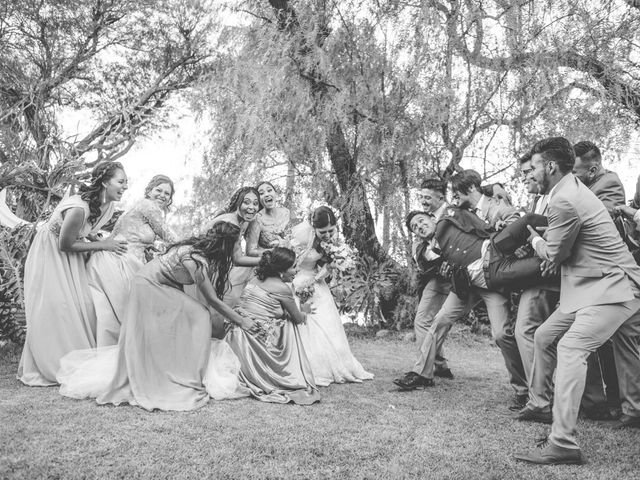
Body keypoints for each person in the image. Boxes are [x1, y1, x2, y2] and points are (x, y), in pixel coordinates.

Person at [514, 137, 640, 465]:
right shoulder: (568, 190)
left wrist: (535, 239)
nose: (531, 172)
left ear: (551, 167)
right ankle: (540, 404)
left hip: (614, 288)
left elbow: (555, 254)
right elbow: (563, 249)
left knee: (571, 348)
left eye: (535, 166)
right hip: (590, 288)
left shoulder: (564, 199)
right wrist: (550, 245)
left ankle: (563, 442)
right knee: (544, 336)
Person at [58, 222, 257, 411]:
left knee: (194, 315)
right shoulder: (195, 260)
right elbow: (212, 300)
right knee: (200, 315)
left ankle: (177, 365)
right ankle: (187, 374)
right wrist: (241, 321)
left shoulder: (195, 251)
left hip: (152, 284)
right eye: (237, 243)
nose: (238, 248)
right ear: (226, 245)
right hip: (148, 287)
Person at [18, 162, 128, 386]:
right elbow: (65, 244)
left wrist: (97, 239)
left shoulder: (107, 207)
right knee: (58, 307)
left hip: (71, 257)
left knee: (78, 306)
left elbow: (86, 233)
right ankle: (52, 364)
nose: (125, 186)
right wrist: (104, 246)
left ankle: (73, 356)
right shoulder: (79, 208)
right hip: (50, 254)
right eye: (121, 181)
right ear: (105, 182)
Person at [89, 175, 176, 347]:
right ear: (149, 191)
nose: (163, 195)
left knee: (115, 315)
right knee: (126, 315)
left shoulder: (137, 207)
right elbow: (169, 236)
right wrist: (196, 245)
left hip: (118, 258)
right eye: (159, 190)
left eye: (167, 193)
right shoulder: (148, 206)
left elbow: (136, 236)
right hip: (124, 262)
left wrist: (153, 247)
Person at [290, 206, 374, 386]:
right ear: (314, 228)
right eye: (323, 232)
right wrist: (299, 284)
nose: (327, 235)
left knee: (327, 323)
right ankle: (308, 365)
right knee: (306, 323)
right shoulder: (301, 239)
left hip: (318, 285)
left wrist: (332, 265)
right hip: (297, 281)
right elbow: (292, 263)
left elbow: (325, 264)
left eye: (331, 230)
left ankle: (334, 363)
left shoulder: (333, 242)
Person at [226, 247, 320, 405]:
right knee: (288, 322)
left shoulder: (254, 280)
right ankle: (286, 371)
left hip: (235, 334)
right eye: (293, 266)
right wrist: (304, 310)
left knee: (283, 316)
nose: (296, 270)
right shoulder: (282, 288)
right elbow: (298, 319)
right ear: (281, 270)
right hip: (252, 339)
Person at [512, 153, 560, 417]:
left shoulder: (560, 196)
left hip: (548, 273)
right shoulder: (536, 199)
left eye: (530, 169)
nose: (527, 176)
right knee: (540, 336)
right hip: (537, 269)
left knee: (526, 331)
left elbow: (555, 235)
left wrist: (542, 248)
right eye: (523, 172)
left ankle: (540, 398)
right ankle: (542, 397)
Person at [245, 181, 292, 257]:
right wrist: (275, 251)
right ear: (258, 199)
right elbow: (250, 251)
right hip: (267, 262)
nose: (267, 194)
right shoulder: (256, 219)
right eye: (261, 193)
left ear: (275, 193)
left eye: (269, 190)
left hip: (287, 259)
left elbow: (291, 235)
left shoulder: (286, 212)